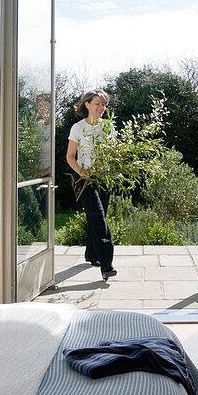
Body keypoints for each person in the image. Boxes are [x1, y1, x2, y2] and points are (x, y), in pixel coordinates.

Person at [66, 89, 117, 280]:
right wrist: (82, 172)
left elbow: (113, 154)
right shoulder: (78, 128)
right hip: (84, 180)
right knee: (98, 217)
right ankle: (107, 265)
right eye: (97, 103)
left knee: (98, 216)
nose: (101, 108)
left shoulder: (108, 127)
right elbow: (70, 157)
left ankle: (91, 254)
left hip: (104, 179)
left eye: (103, 104)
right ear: (87, 105)